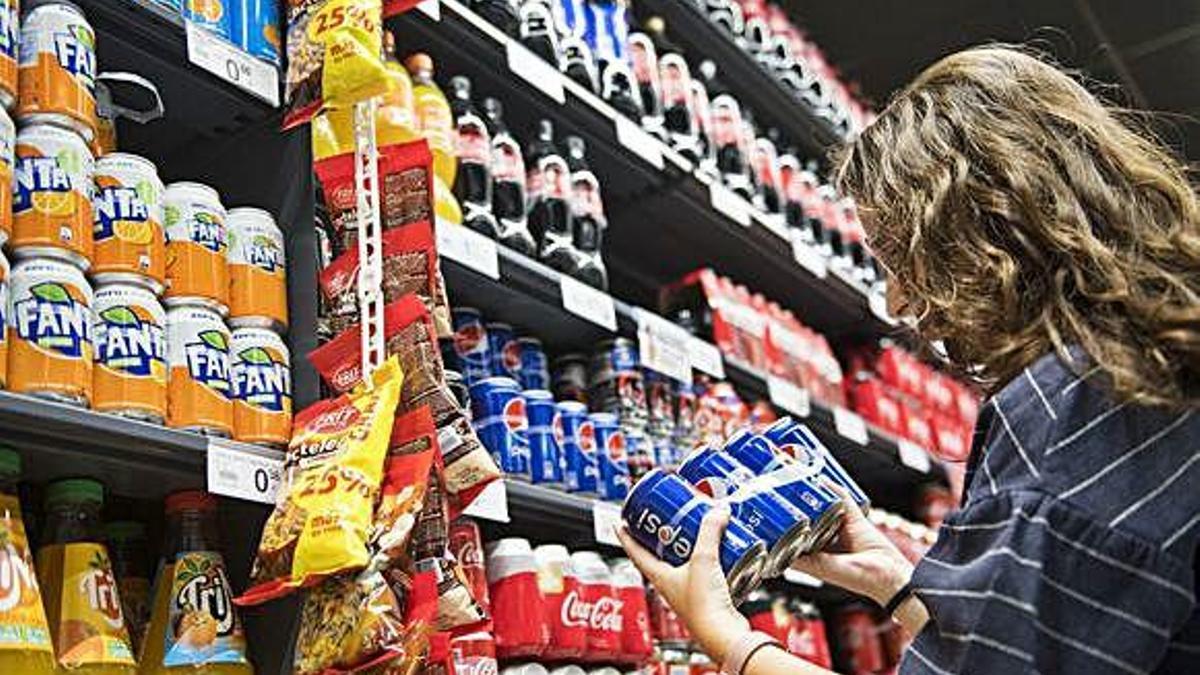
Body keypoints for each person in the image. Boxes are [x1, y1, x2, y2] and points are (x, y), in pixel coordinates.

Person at [618, 45, 1200, 674]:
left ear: (982, 228)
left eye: (901, 255)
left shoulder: (1075, 409)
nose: (896, 299)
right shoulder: (1145, 369)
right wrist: (896, 585)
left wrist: (727, 638)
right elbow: (1066, 640)